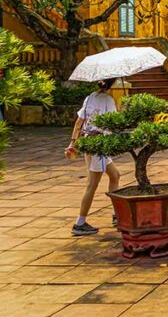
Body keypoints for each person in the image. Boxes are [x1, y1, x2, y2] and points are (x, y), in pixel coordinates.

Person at [65, 78, 120, 236]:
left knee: (115, 175)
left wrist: (73, 143)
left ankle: (117, 215)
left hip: (88, 142)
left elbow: (79, 123)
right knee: (92, 185)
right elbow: (114, 123)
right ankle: (79, 222)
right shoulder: (108, 100)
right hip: (99, 145)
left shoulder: (89, 97)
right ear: (113, 84)